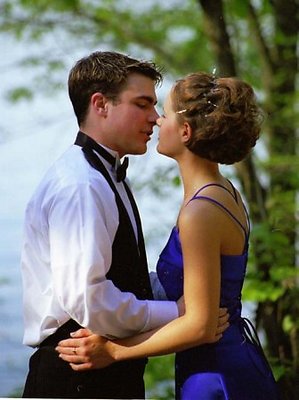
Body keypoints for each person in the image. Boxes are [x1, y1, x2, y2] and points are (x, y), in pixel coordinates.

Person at [57, 71, 279, 400]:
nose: (158, 120)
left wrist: (114, 351)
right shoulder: (222, 191)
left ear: (185, 131)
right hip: (222, 358)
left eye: (167, 113)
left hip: (215, 375)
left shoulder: (201, 212)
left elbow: (200, 326)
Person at [21, 52, 228, 399]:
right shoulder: (80, 185)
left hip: (103, 372)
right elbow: (89, 299)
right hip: (76, 375)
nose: (156, 118)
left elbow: (121, 275)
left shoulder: (105, 175)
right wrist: (176, 312)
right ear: (101, 104)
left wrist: (191, 295)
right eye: (143, 105)